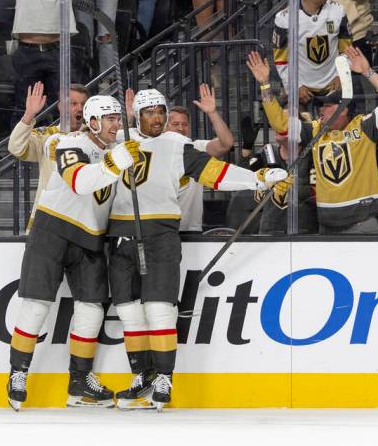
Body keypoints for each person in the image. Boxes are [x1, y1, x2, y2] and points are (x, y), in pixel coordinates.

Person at [107, 88, 286, 410]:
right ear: (136, 114)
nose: (158, 118)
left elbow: (214, 173)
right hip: (120, 232)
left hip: (161, 231)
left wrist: (257, 178)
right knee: (129, 311)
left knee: (160, 307)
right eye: (150, 112)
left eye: (161, 111)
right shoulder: (115, 139)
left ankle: (164, 377)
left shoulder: (176, 145)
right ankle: (141, 375)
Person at [6, 95, 141, 410]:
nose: (116, 125)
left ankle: (79, 382)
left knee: (92, 307)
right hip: (53, 228)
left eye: (118, 119)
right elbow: (80, 182)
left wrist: (132, 123)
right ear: (93, 122)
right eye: (110, 119)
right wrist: (115, 162)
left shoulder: (116, 148)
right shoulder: (69, 143)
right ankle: (18, 372)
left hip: (91, 235)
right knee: (37, 304)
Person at [247, 47, 378, 234]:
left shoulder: (364, 126)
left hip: (361, 224)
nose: (321, 110)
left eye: (327, 106)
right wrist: (265, 84)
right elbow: (281, 125)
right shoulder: (315, 130)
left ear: (343, 108)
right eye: (321, 105)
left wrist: (368, 72)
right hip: (326, 226)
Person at [8, 81, 90, 225]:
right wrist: (28, 115)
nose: (80, 109)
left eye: (83, 104)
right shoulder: (46, 135)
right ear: (60, 107)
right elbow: (16, 148)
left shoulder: (95, 137)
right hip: (48, 219)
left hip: (84, 220)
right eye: (73, 104)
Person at [272, 0, 352, 104]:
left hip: (334, 87)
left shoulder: (338, 11)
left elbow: (347, 50)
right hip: (301, 90)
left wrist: (342, 76)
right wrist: (294, 86)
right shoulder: (285, 19)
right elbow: (281, 61)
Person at [164, 84, 236, 232]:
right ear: (165, 127)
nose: (180, 128)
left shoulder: (196, 148)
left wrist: (212, 112)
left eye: (185, 124)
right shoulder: (154, 152)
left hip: (192, 231)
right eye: (175, 124)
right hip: (162, 231)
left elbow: (226, 143)